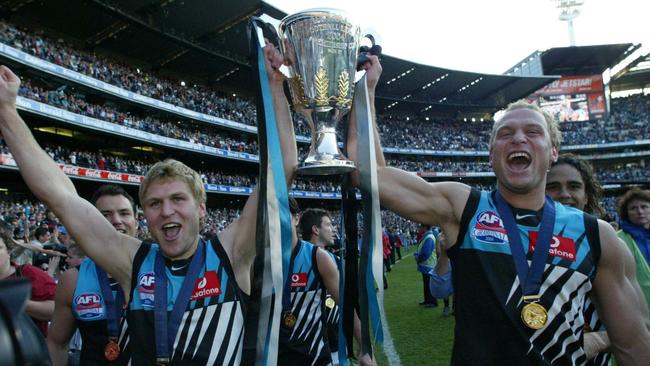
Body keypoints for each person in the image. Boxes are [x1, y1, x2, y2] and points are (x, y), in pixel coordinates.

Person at [0, 42, 296, 365]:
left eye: (178, 199)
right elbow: (61, 197)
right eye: (154, 203)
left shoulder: (229, 254)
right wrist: (7, 114)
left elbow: (280, 172)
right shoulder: (133, 263)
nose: (166, 210)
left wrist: (276, 88)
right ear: (146, 217)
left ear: (201, 209)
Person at [347, 53, 650, 364]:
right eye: (505, 134)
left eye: (533, 132)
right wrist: (366, 91)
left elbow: (634, 345)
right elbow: (370, 174)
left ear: (553, 152)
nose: (518, 138)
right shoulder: (464, 208)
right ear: (491, 155)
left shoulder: (596, 236)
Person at [546, 154, 649, 365]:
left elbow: (638, 331)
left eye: (574, 186)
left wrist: (600, 339)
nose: (564, 194)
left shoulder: (609, 247)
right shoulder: (515, 245)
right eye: (553, 187)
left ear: (587, 195)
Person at [47, 185, 138, 365]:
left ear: (136, 220)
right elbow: (57, 343)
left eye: (124, 213)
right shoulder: (72, 280)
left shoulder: (160, 270)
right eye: (105, 215)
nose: (116, 220)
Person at [297, 207, 341, 365]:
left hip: (338, 347)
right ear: (316, 229)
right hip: (308, 350)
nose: (333, 229)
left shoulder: (336, 260)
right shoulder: (295, 262)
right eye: (328, 225)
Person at [0, 218, 56, 337]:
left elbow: (57, 308)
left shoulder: (28, 274)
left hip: (23, 350)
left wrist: (17, 302)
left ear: (9, 250)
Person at [616, 187, 650, 312]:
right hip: (636, 310)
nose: (640, 212)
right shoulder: (617, 239)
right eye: (633, 208)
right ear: (626, 213)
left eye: (644, 207)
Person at [414, 224, 438, 307]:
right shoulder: (427, 236)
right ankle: (427, 300)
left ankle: (432, 302)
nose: (418, 228)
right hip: (426, 265)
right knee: (426, 283)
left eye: (420, 227)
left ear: (425, 228)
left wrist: (418, 258)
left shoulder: (429, 237)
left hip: (429, 265)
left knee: (429, 284)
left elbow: (426, 253)